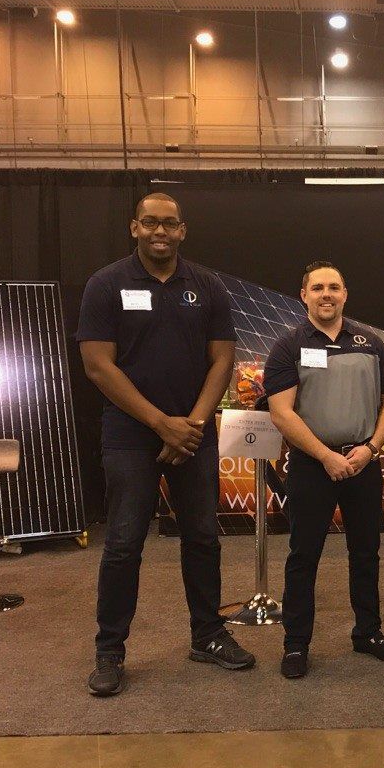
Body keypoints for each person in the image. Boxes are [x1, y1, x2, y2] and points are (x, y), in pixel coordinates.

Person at [77, 192, 254, 697]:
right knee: (124, 544)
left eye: (169, 224)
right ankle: (110, 651)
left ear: (182, 231)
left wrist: (191, 426)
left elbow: (222, 360)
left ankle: (208, 636)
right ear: (134, 228)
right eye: (150, 223)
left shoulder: (207, 286)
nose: (160, 231)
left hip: (193, 433)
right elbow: (98, 366)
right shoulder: (106, 284)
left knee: (202, 537)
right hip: (130, 435)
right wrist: (161, 424)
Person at [263, 261, 384, 679]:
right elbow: (281, 413)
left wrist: (371, 448)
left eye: (335, 287)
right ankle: (295, 645)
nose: (327, 294)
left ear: (345, 295)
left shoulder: (370, 343)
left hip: (363, 463)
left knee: (366, 553)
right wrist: (326, 456)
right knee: (303, 556)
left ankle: (368, 634)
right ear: (304, 294)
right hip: (311, 466)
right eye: (319, 287)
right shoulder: (288, 345)